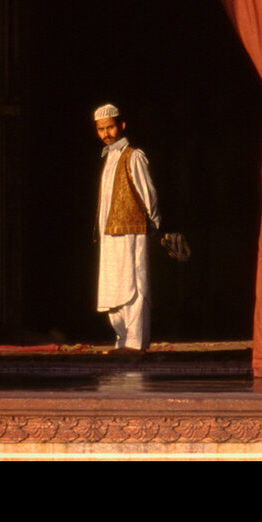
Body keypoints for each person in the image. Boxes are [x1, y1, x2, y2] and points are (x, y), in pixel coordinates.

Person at [92, 105, 165, 354]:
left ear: (122, 126)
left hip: (133, 232)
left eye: (110, 127)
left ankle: (135, 342)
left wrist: (154, 226)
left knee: (135, 285)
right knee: (115, 286)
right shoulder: (108, 157)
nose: (106, 133)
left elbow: (149, 195)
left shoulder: (134, 156)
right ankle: (122, 341)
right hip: (110, 234)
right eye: (101, 129)